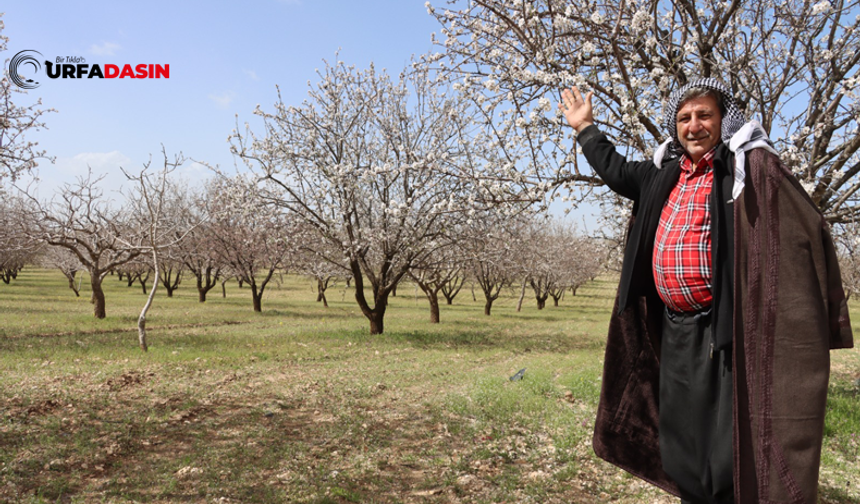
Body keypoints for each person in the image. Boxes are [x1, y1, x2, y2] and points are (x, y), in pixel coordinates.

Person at [559, 78, 854, 504]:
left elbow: (801, 222)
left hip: (723, 331)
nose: (693, 126)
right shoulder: (661, 174)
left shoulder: (744, 173)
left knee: (724, 444)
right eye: (684, 118)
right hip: (673, 329)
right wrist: (585, 128)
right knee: (682, 437)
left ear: (723, 121)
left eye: (704, 115)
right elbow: (616, 169)